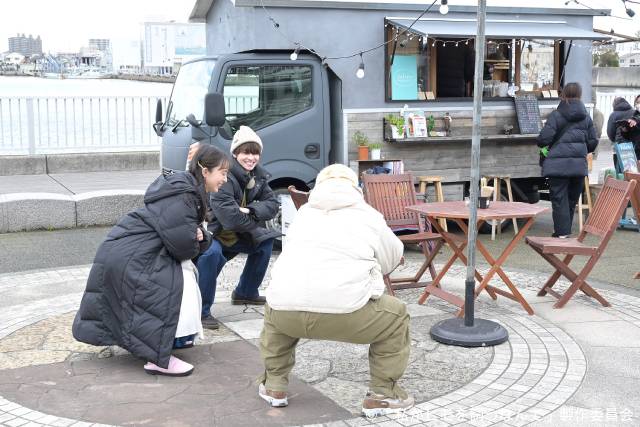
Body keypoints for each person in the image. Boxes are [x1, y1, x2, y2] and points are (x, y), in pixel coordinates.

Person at [257, 164, 412, 418]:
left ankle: (274, 387)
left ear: (319, 186)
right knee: (397, 316)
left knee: (278, 303)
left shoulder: (304, 213)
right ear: (356, 188)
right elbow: (392, 259)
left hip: (287, 316)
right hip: (347, 314)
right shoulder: (369, 215)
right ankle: (382, 395)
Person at [72, 145, 230, 376]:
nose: (225, 179)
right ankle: (158, 358)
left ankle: (169, 342)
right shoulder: (185, 195)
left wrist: (200, 236)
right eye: (222, 172)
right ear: (205, 171)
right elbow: (184, 247)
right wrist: (200, 237)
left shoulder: (186, 190)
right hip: (132, 255)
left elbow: (189, 238)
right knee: (177, 285)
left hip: (129, 251)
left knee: (179, 279)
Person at [196, 126, 280, 330]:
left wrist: (250, 210)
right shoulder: (225, 176)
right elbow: (229, 219)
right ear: (235, 153)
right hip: (217, 234)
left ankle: (246, 292)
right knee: (210, 256)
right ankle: (201, 311)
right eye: (246, 152)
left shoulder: (258, 176)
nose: (251, 157)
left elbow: (273, 204)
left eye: (255, 152)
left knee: (265, 241)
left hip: (241, 232)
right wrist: (251, 216)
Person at [538, 82, 598, 238]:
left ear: (563, 95)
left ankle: (562, 233)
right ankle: (564, 232)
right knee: (571, 200)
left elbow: (543, 139)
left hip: (557, 166)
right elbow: (593, 142)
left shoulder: (556, 115)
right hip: (578, 166)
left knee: (559, 200)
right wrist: (581, 149)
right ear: (579, 95)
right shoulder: (586, 118)